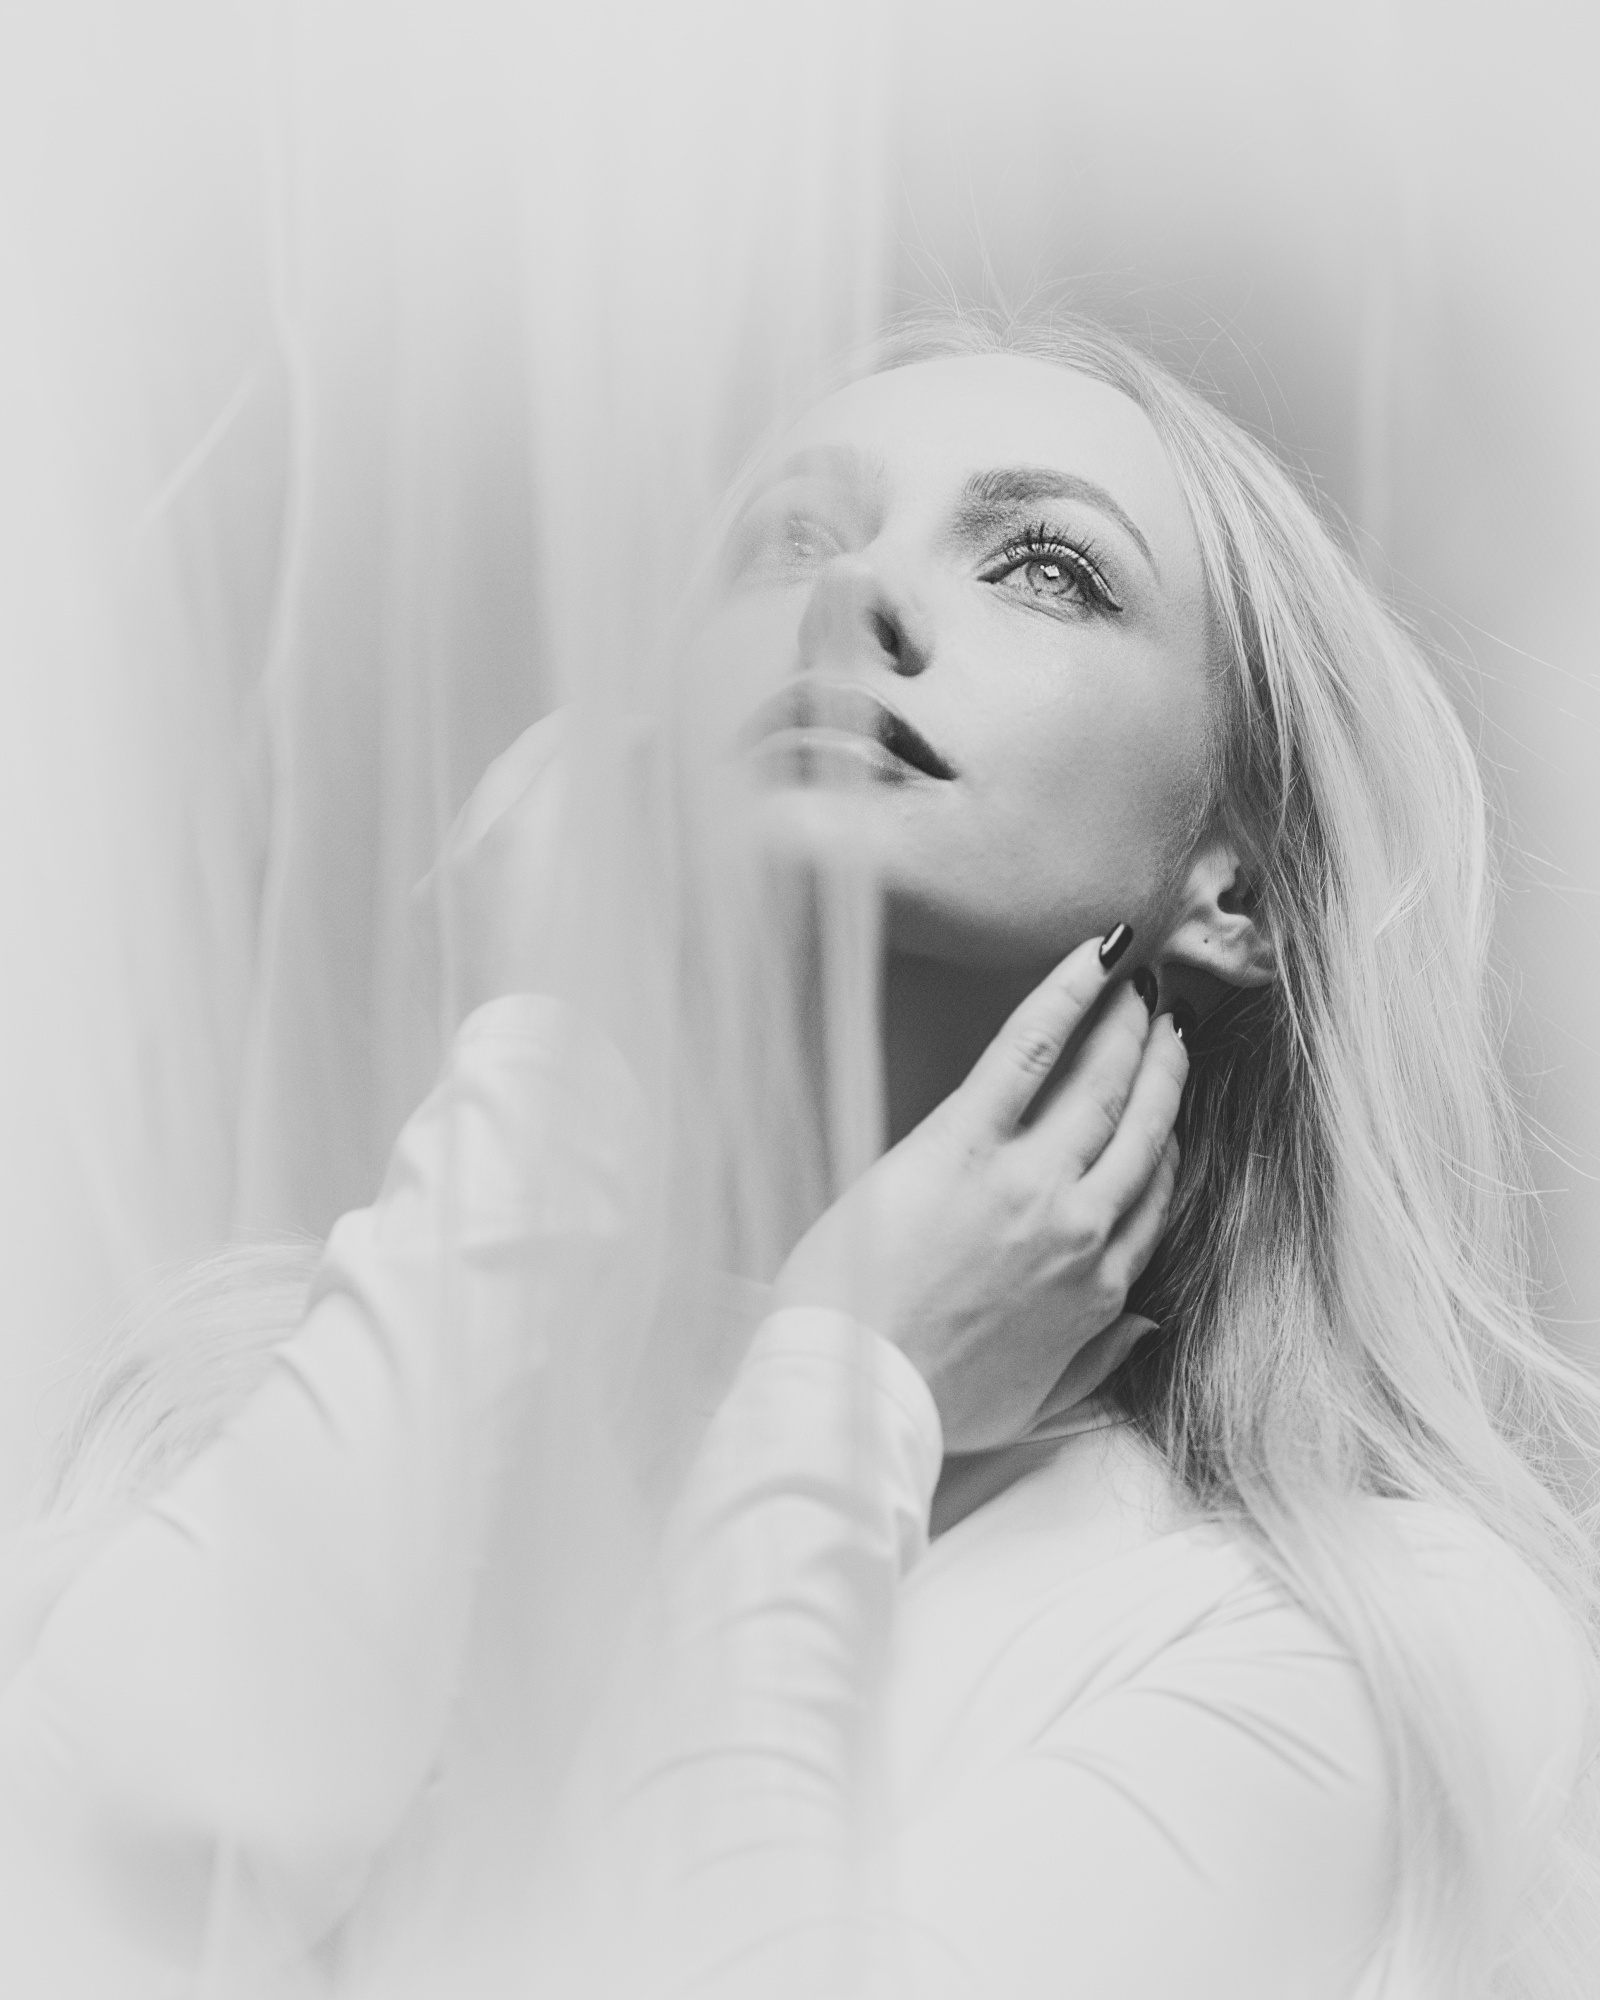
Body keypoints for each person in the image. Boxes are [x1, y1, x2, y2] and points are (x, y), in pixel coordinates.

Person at [1, 312, 1595, 1998]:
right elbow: (86, 1910)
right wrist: (538, 1082)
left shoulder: (1367, 1634)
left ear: (1239, 886)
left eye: (1047, 568)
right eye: (788, 543)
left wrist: (841, 1388)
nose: (858, 595)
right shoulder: (241, 1404)